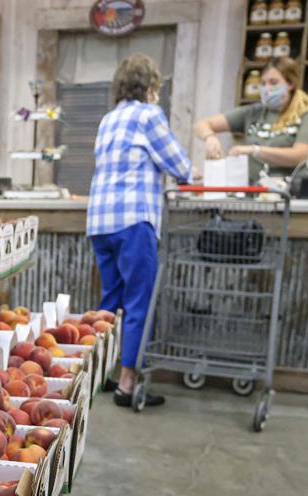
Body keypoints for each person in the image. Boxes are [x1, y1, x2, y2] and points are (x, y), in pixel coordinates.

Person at [88, 53, 192, 408]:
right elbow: (178, 164)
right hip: (133, 221)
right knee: (137, 303)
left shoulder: (108, 119)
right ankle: (128, 384)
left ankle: (100, 374)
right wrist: (191, 176)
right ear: (150, 87)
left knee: (109, 303)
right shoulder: (149, 115)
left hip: (100, 223)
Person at [193, 56, 308, 184]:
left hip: (287, 192)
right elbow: (202, 124)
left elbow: (299, 155)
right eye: (263, 83)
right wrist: (210, 137)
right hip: (253, 191)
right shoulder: (255, 112)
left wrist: (255, 150)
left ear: (290, 83)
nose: (267, 88)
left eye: (273, 82)